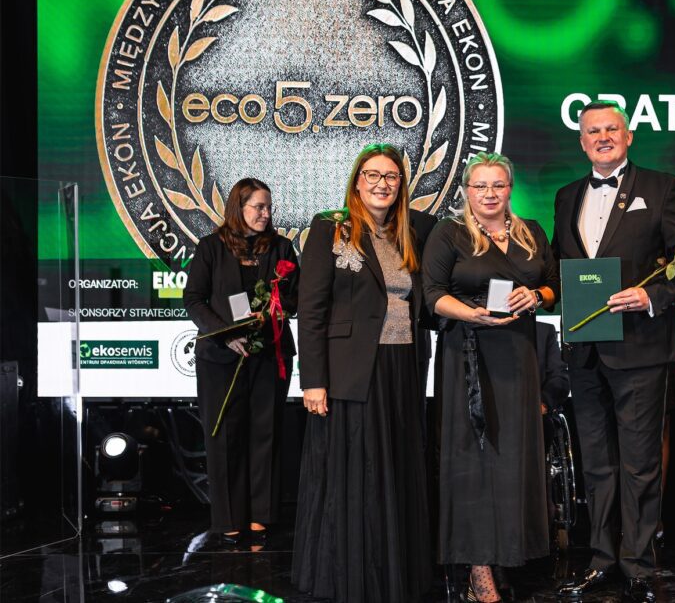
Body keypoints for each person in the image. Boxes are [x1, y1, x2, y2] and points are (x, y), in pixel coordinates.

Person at [552, 101, 675, 603]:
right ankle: (600, 559)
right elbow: (561, 265)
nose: (603, 136)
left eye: (611, 128)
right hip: (585, 350)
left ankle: (637, 562)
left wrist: (651, 295)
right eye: (593, 131)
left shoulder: (662, 187)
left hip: (639, 345)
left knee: (639, 463)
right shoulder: (565, 196)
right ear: (582, 141)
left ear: (629, 135)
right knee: (596, 462)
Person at [292, 143, 437, 603]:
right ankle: (346, 577)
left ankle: (395, 575)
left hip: (404, 366)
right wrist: (313, 380)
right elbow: (311, 309)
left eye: (391, 176)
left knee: (396, 469)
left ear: (401, 184)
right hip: (350, 372)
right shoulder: (330, 227)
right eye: (372, 175)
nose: (382, 184)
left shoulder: (414, 230)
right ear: (357, 181)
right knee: (354, 475)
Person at [422, 152, 558, 603]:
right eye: (480, 185)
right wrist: (471, 314)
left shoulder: (531, 232)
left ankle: (507, 556)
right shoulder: (449, 233)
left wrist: (536, 295)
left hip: (519, 358)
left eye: (498, 185)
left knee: (512, 460)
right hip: (467, 357)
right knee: (474, 464)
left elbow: (554, 285)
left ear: (510, 188)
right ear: (466, 190)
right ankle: (477, 569)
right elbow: (432, 295)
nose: (489, 193)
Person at [184, 177, 298, 546]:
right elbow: (193, 299)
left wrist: (275, 309)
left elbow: (296, 298)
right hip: (221, 357)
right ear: (239, 207)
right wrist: (225, 334)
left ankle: (262, 514)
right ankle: (228, 518)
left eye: (269, 207)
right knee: (225, 436)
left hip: (269, 353)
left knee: (266, 432)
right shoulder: (210, 247)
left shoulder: (281, 247)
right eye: (258, 207)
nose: (266, 214)